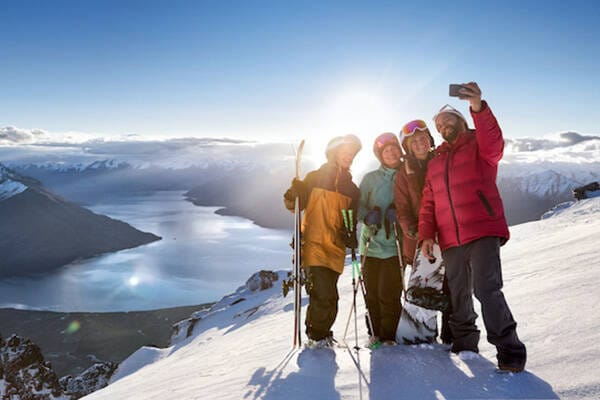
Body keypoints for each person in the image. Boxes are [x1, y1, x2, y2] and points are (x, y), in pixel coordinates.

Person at [418, 82, 527, 372]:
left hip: (482, 231)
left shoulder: (479, 145)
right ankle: (465, 347)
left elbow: (495, 143)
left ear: (461, 121)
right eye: (439, 124)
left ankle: (510, 351)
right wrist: (427, 234)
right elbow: (428, 201)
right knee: (459, 296)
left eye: (448, 120)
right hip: (450, 239)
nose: (443, 126)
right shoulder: (435, 161)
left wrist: (478, 105)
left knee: (487, 290)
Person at [283, 134, 362, 348]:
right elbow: (293, 206)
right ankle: (317, 338)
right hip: (312, 245)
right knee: (322, 294)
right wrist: (294, 193)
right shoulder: (315, 177)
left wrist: (350, 234)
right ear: (333, 153)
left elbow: (351, 219)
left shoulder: (352, 189)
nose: (349, 157)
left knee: (331, 298)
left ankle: (322, 335)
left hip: (335, 249)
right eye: (345, 152)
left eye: (351, 154)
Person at [394, 119, 452, 345]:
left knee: (451, 286)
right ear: (408, 147)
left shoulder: (442, 161)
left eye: (423, 138)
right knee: (425, 286)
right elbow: (402, 208)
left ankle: (451, 335)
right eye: (414, 141)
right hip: (420, 240)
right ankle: (420, 333)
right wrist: (411, 229)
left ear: (430, 140)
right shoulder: (403, 172)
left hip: (448, 235)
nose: (420, 143)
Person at [358, 133, 403, 346]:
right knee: (372, 294)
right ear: (380, 155)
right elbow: (357, 205)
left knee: (389, 293)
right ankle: (374, 334)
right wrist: (367, 216)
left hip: (394, 246)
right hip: (369, 245)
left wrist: (400, 214)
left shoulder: (406, 175)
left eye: (394, 148)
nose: (391, 153)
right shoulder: (370, 179)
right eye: (386, 150)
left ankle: (389, 337)